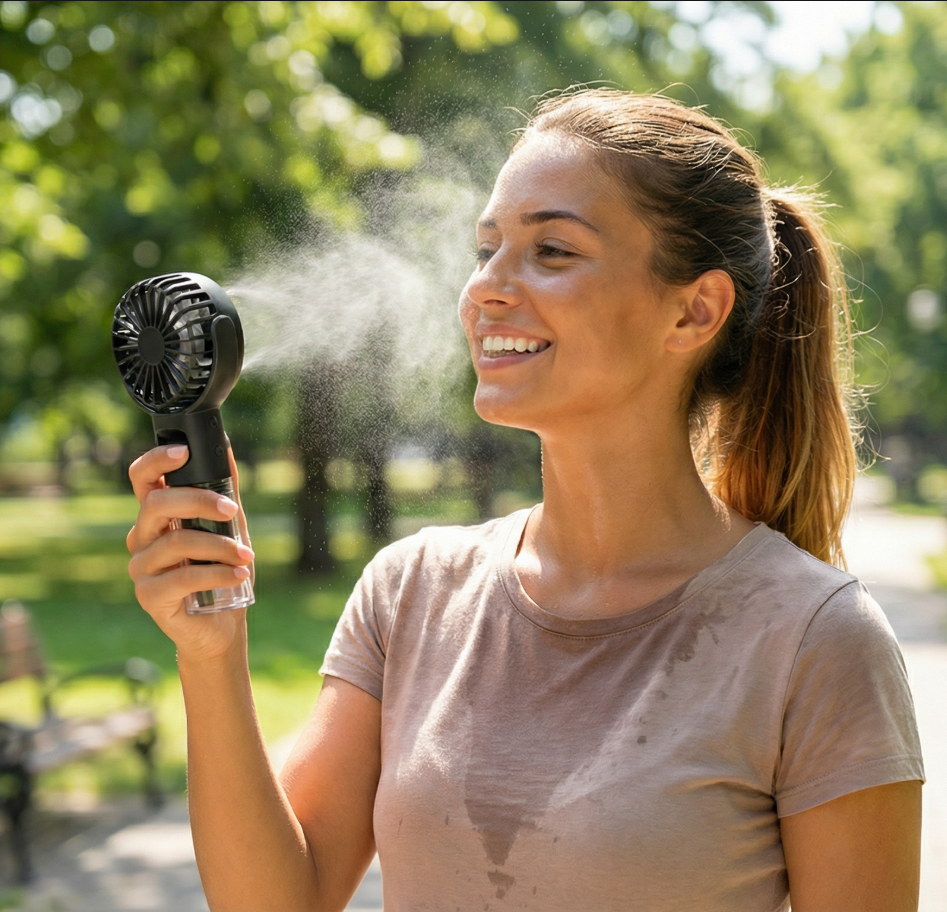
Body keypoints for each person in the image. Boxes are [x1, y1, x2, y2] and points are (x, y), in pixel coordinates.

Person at [126, 89, 924, 912]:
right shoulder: (411, 592)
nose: (485, 290)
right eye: (485, 249)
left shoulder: (813, 640)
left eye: (551, 250)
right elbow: (276, 902)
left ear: (694, 310)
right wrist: (210, 652)